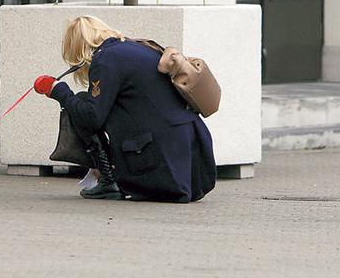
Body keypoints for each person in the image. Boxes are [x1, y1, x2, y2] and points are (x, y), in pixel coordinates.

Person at [34, 16, 216, 203]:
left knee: (80, 103)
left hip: (159, 169)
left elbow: (91, 118)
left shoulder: (105, 59)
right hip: (195, 167)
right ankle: (108, 177)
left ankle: (108, 180)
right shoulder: (140, 47)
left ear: (77, 48)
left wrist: (60, 91)